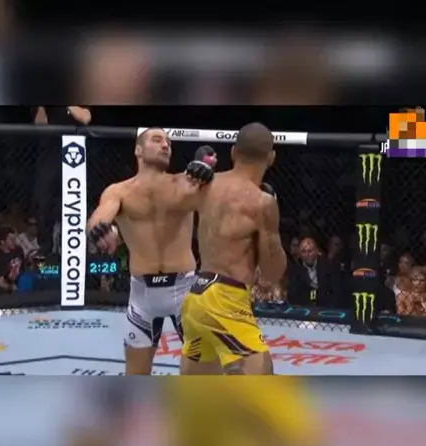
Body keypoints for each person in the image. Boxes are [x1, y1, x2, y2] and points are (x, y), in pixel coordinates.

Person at [87, 128, 214, 375]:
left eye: (168, 142)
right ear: (138, 149)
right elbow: (100, 216)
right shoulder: (119, 191)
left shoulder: (186, 183)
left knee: (205, 375)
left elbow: (221, 197)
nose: (165, 145)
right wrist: (99, 229)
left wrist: (209, 177)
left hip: (185, 291)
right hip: (142, 295)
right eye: (157, 140)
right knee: (136, 377)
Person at [180, 122, 287, 375]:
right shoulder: (261, 202)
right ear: (271, 158)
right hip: (226, 299)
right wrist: (272, 224)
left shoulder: (206, 185)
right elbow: (272, 272)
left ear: (233, 152)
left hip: (196, 297)